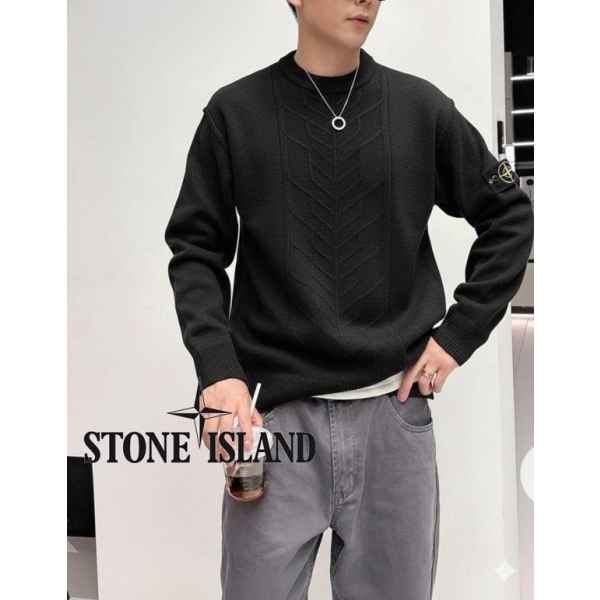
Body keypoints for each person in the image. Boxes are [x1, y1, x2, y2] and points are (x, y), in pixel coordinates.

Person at [164, 1, 534, 598]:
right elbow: (196, 250)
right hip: (273, 423)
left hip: (394, 420)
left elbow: (508, 215)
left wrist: (457, 335)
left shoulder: (420, 109)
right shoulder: (235, 113)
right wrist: (218, 371)